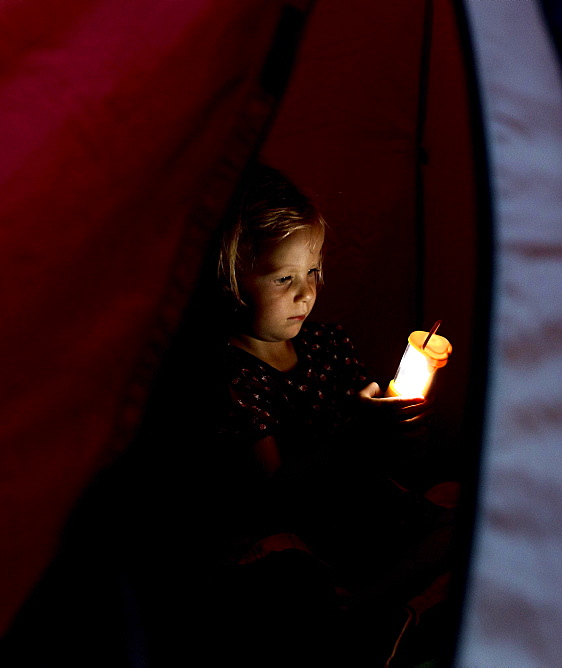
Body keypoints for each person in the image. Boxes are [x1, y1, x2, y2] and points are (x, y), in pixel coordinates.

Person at [201, 164, 455, 666]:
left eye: (313, 270)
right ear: (230, 278)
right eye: (283, 278)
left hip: (361, 505)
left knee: (470, 515)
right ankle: (367, 608)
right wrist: (357, 435)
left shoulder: (326, 342)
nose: (306, 292)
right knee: (287, 576)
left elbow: (389, 456)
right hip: (304, 528)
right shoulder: (226, 374)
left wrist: (402, 429)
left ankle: (385, 600)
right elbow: (273, 497)